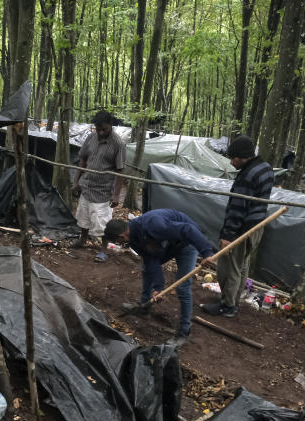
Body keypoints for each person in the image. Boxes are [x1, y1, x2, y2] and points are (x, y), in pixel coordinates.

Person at [104, 210, 215, 348]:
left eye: (117, 241)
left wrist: (206, 252)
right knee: (147, 269)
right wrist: (159, 288)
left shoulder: (153, 225)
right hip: (168, 243)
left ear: (121, 236)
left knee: (183, 287)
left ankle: (183, 333)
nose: (119, 243)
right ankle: (145, 306)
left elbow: (188, 229)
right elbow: (151, 260)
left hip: (187, 243)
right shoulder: (133, 239)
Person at [201, 135, 274, 318]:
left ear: (243, 156)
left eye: (233, 158)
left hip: (242, 228)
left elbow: (238, 208)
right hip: (256, 227)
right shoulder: (265, 168)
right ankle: (233, 301)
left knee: (229, 267)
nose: (231, 162)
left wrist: (228, 235)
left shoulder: (247, 176)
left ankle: (227, 305)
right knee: (241, 266)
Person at [72, 110, 126, 261]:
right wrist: (76, 181)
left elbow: (120, 171)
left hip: (103, 191)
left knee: (102, 223)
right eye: (98, 129)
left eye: (104, 129)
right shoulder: (90, 138)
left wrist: (116, 194)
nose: (101, 132)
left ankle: (103, 250)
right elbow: (83, 160)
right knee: (83, 216)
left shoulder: (118, 144)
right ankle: (83, 239)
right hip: (87, 185)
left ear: (111, 125)